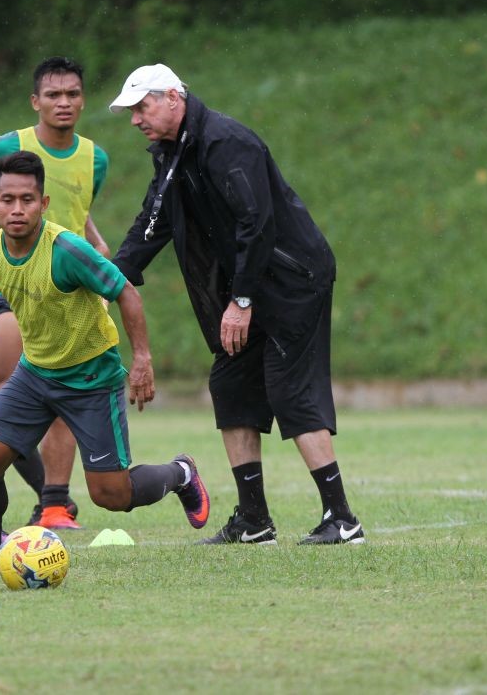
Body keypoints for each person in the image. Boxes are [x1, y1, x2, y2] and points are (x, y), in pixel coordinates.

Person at [0, 151, 210, 569]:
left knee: (112, 495)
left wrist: (142, 358)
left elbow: (127, 293)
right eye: (8, 199)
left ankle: (180, 473)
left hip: (91, 377)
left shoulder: (66, 250)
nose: (17, 209)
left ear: (43, 204)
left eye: (28, 200)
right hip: (34, 374)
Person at [108, 63, 364, 545]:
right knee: (230, 385)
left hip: (292, 279)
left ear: (172, 98)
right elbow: (155, 218)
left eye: (142, 107)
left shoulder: (226, 142)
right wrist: (111, 275)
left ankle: (342, 519)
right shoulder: (173, 152)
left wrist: (241, 298)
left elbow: (256, 223)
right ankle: (254, 520)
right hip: (251, 284)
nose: (135, 120)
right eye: (131, 111)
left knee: (289, 390)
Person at [0, 56, 110, 530]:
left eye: (73, 95)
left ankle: (55, 504)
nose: (64, 103)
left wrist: (98, 249)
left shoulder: (95, 157)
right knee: (2, 393)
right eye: (54, 95)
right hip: (13, 287)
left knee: (61, 389)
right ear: (35, 101)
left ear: (83, 99)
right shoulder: (6, 148)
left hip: (68, 291)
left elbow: (74, 211)